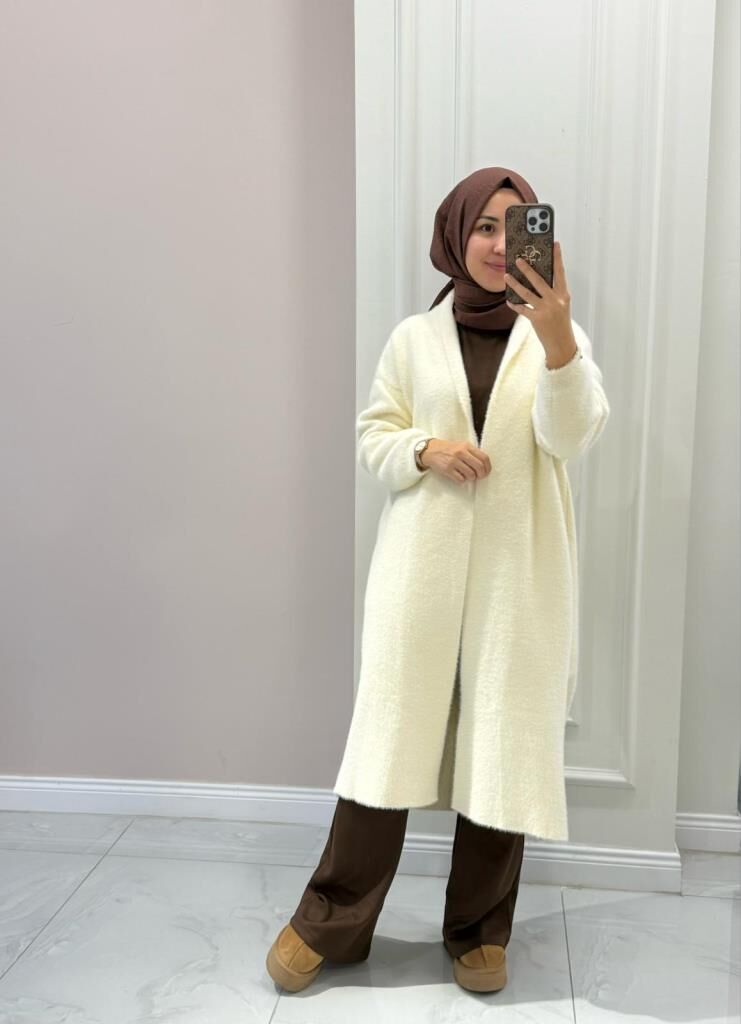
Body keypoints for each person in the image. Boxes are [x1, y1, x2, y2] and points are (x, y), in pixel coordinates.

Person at [266, 166, 610, 994]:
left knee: (503, 743)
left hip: (517, 575)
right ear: (455, 236)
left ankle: (479, 931)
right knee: (386, 740)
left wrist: (557, 340)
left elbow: (572, 437)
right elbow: (373, 433)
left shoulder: (555, 336)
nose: (496, 244)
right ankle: (330, 920)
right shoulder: (412, 339)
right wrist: (424, 449)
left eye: (512, 226)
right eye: (482, 226)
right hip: (418, 570)